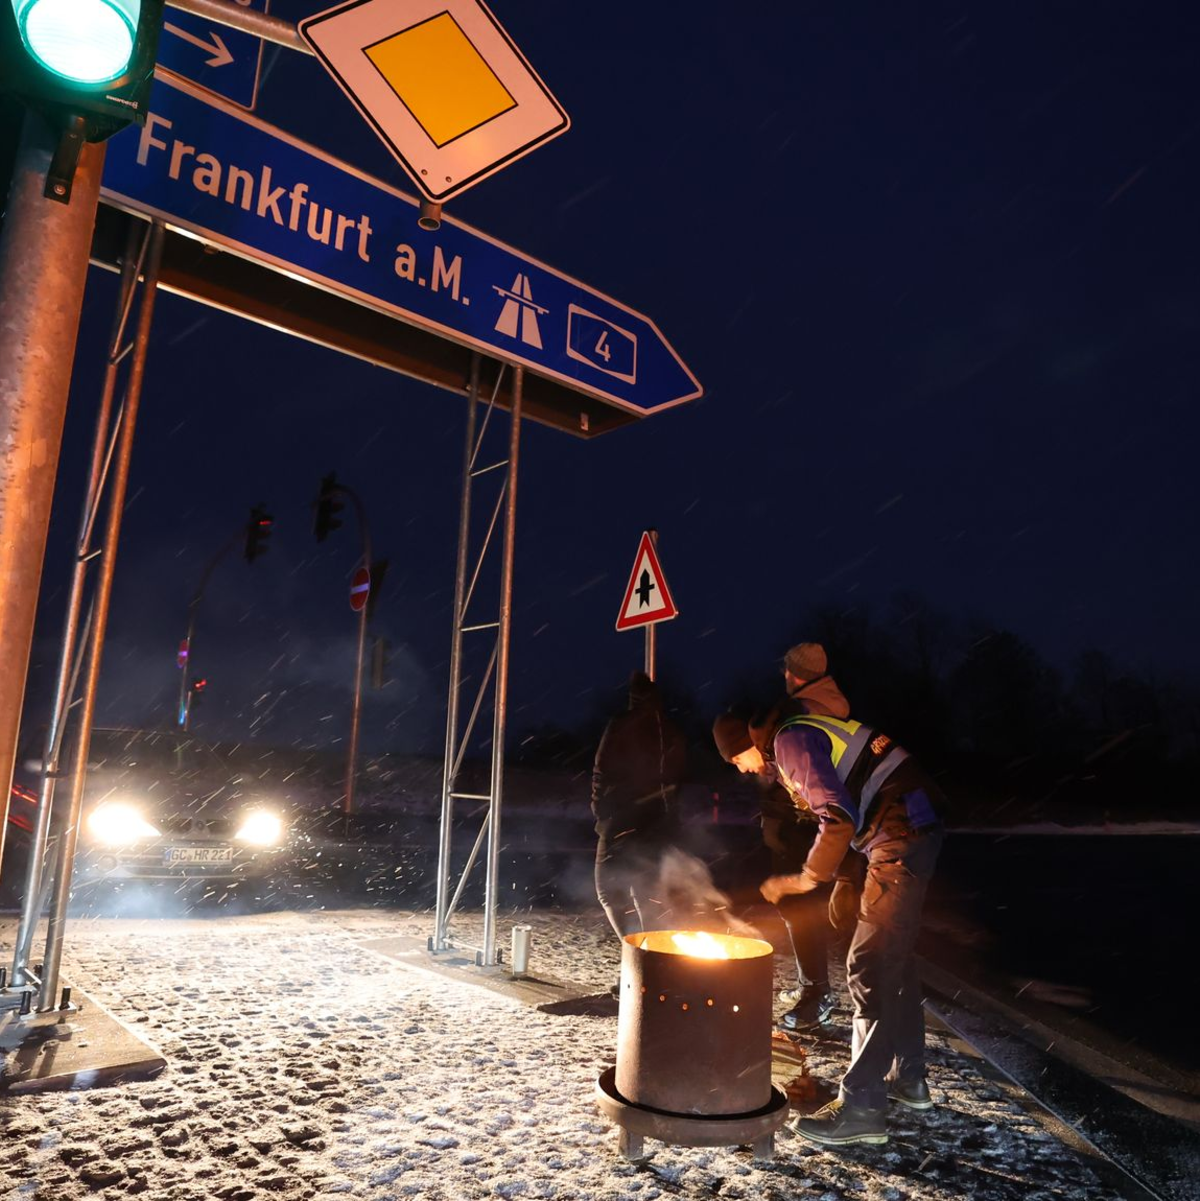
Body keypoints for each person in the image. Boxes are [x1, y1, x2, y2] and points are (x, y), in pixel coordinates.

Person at [712, 675, 945, 1149]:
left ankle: (862, 1107)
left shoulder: (790, 740)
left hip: (901, 832)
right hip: (909, 825)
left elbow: (836, 815)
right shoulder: (799, 735)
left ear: (745, 746)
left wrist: (807, 879)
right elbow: (850, 806)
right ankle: (911, 1080)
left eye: (737, 760)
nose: (741, 771)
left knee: (871, 964)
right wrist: (842, 880)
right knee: (895, 958)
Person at [592, 670, 688, 953]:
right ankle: (649, 961)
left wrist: (601, 812)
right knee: (648, 897)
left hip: (621, 820)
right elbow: (678, 778)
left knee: (609, 892)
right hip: (657, 823)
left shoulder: (620, 725)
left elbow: (601, 770)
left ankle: (637, 958)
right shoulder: (671, 729)